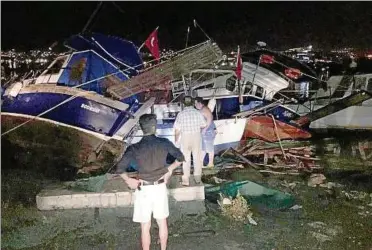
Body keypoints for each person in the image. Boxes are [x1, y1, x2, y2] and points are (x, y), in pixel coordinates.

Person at [115, 114, 185, 250]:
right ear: (155, 127)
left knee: (145, 226)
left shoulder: (134, 148)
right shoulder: (164, 143)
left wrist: (128, 180)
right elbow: (180, 158)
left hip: (143, 189)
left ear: (142, 128)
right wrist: (168, 170)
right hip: (159, 188)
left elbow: (120, 168)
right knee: (162, 223)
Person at [174, 96, 207, 186]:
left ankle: (186, 180)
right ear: (192, 103)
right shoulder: (197, 113)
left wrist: (176, 141)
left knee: (185, 159)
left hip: (185, 137)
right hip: (196, 136)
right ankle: (197, 179)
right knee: (197, 158)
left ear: (183, 104)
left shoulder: (181, 114)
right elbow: (204, 124)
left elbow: (177, 130)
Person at [194, 97, 217, 168]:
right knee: (203, 149)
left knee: (209, 148)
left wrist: (205, 129)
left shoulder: (205, 109)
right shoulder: (201, 109)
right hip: (205, 132)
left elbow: (210, 118)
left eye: (196, 103)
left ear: (200, 103)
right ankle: (201, 164)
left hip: (208, 132)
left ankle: (211, 163)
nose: (195, 105)